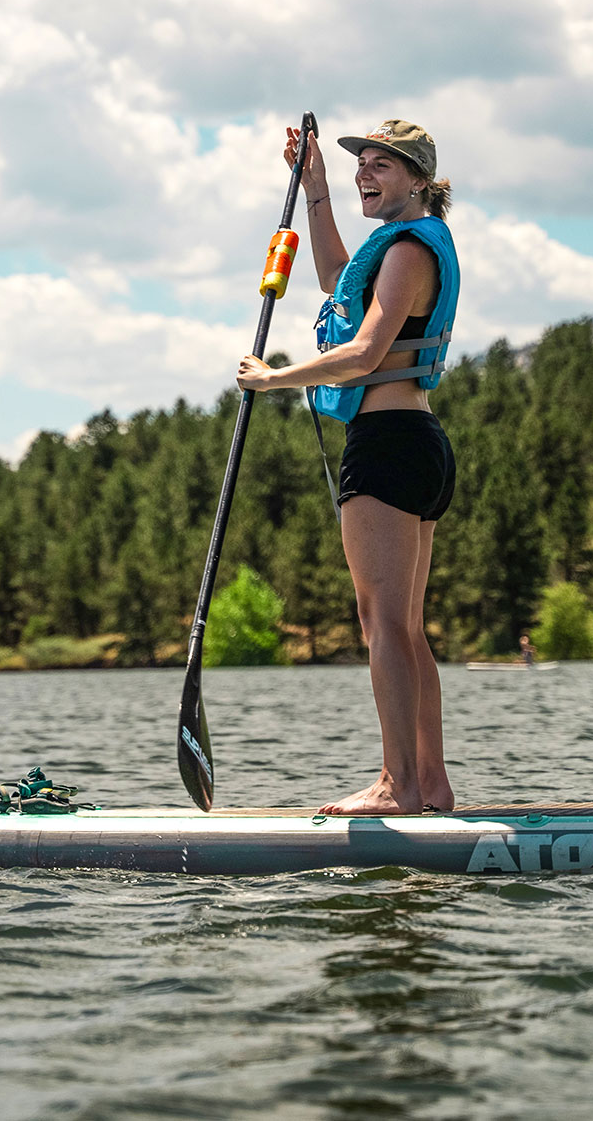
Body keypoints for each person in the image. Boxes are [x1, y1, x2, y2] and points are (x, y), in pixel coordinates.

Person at [236, 119, 460, 815]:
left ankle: (397, 785)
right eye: (361, 163)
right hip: (416, 439)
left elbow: (363, 352)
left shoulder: (409, 249)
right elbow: (339, 283)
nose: (367, 172)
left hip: (389, 442)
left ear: (419, 179)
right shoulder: (401, 248)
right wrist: (317, 191)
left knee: (383, 624)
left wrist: (274, 379)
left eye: (382, 165)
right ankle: (430, 784)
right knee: (404, 624)